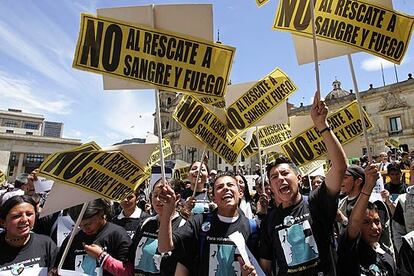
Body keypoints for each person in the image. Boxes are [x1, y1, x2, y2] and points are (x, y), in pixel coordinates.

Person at [259, 94, 348, 275]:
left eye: (285, 173)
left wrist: (322, 126)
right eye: (274, 177)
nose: (280, 179)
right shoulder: (270, 220)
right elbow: (266, 266)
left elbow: (339, 167)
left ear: (299, 178)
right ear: (271, 187)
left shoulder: (317, 202)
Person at [158, 171, 259, 275]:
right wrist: (167, 211)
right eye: (220, 187)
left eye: (230, 185)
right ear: (214, 198)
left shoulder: (253, 228)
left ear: (240, 193)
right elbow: (164, 247)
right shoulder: (199, 222)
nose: (226, 188)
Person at [84, 179, 187, 276]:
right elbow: (130, 263)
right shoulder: (146, 223)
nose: (158, 200)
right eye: (155, 195)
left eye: (164, 196)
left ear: (176, 198)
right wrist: (103, 257)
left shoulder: (183, 226)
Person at [337, 164, 396, 275]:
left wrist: (368, 186)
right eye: (366, 222)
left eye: (345, 177)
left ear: (358, 181)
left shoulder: (375, 202)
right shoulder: (342, 204)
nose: (374, 227)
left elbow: (379, 240)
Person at [55, 199, 131, 276]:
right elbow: (61, 268)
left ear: (101, 213)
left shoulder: (117, 235)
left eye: (88, 224)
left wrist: (101, 256)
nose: (84, 229)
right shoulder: (74, 238)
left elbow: (127, 271)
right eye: (80, 225)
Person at [0, 195, 56, 274]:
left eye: (29, 214)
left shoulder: (46, 244)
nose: (24, 219)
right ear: (3, 222)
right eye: (17, 216)